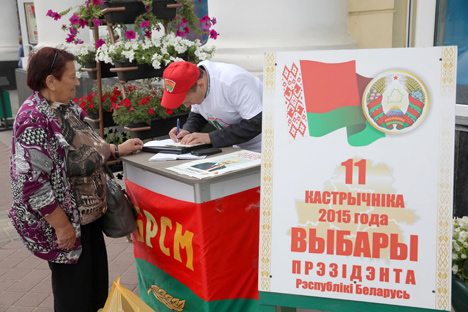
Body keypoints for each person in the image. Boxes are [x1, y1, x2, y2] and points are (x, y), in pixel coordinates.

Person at [8, 46, 143, 312]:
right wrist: (62, 227)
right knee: (75, 298)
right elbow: (31, 184)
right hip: (65, 225)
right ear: (51, 81)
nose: (76, 82)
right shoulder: (32, 119)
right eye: (71, 76)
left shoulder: (65, 107)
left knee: (94, 292)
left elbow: (87, 146)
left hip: (88, 222)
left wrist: (116, 149)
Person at [161, 61, 263, 153]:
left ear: (201, 85)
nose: (187, 105)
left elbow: (256, 122)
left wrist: (211, 137)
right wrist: (187, 130)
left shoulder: (233, 81)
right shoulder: (195, 78)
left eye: (188, 101)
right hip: (238, 146)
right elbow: (198, 113)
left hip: (266, 145)